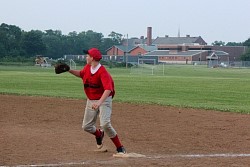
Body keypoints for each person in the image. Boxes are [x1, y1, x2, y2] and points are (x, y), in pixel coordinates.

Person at [68, 47, 126, 154]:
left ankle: (120, 147)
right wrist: (68, 70)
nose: (86, 57)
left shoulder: (102, 72)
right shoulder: (87, 67)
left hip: (104, 100)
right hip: (91, 100)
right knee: (86, 126)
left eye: (87, 56)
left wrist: (99, 102)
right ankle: (99, 134)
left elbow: (108, 89)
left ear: (93, 58)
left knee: (105, 124)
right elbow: (81, 74)